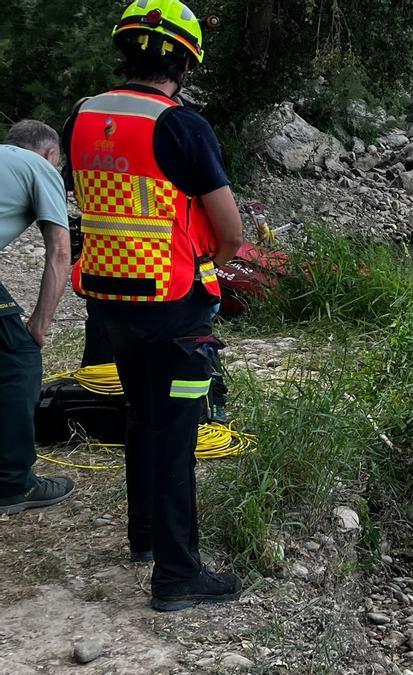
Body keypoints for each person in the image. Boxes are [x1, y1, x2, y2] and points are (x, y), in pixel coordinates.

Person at [63, 0, 244, 611]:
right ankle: (176, 576)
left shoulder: (82, 116)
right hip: (173, 307)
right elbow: (230, 231)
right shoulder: (182, 126)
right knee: (175, 436)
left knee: (141, 419)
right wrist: (206, 260)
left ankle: (144, 539)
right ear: (185, 60)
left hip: (109, 298)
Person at [0, 121, 75, 515]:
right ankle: (14, 483)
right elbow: (60, 254)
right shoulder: (40, 167)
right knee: (18, 359)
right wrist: (39, 326)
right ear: (50, 154)